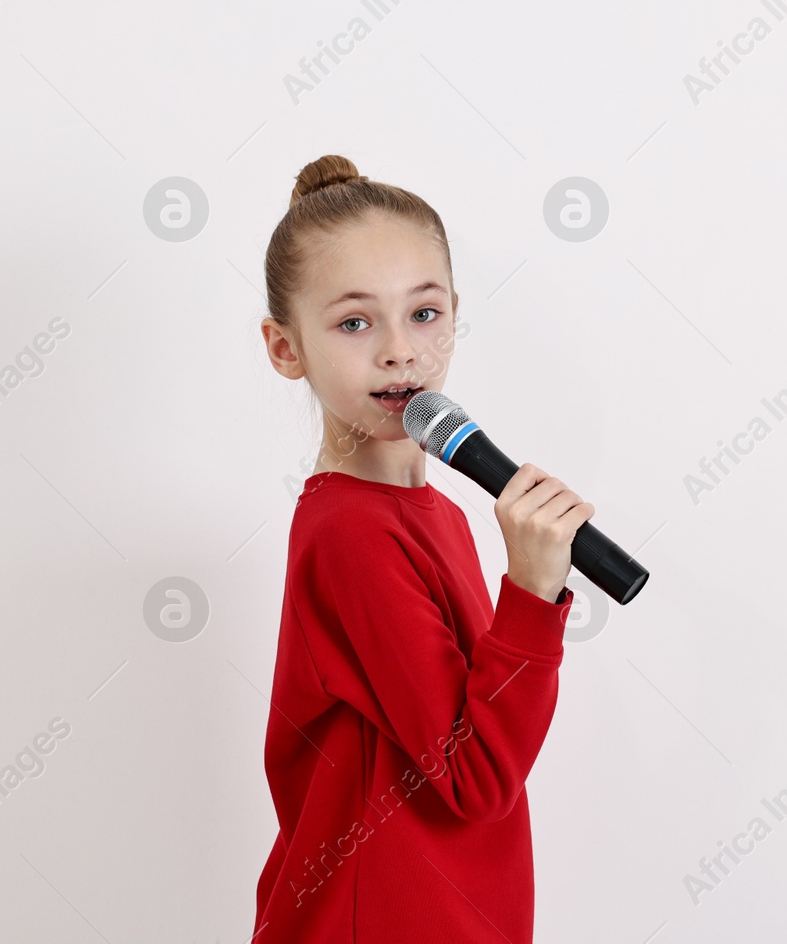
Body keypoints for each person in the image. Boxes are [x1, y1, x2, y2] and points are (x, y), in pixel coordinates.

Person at [253, 154, 594, 942]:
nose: (401, 351)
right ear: (285, 347)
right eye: (353, 322)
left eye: (425, 313)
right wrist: (532, 596)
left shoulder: (430, 509)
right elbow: (472, 776)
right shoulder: (351, 531)